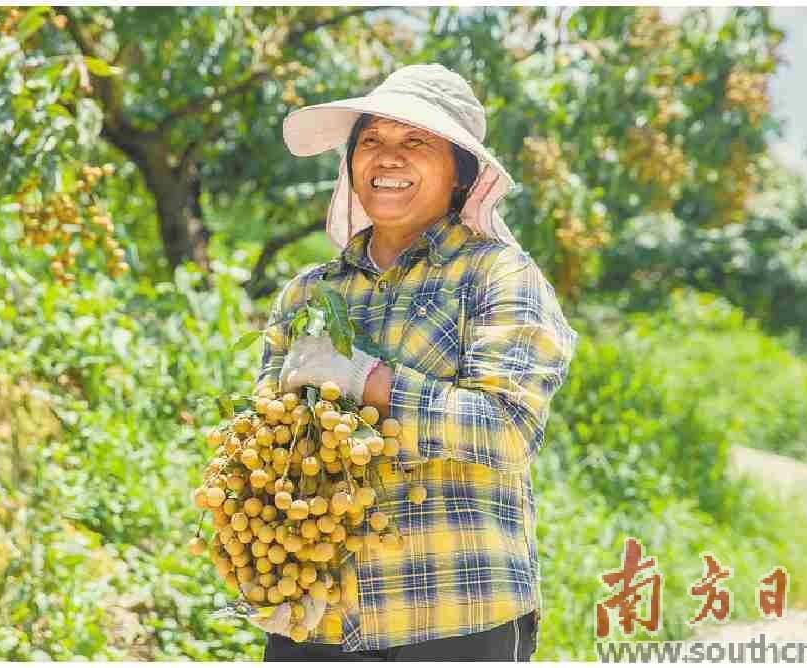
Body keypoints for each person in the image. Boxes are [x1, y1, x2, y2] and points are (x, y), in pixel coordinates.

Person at [248, 63, 579, 661]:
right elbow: (267, 447)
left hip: (449, 620)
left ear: (462, 175)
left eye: (415, 142)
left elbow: (507, 430)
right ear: (350, 163)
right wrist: (267, 558)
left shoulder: (497, 276)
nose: (388, 158)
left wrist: (366, 381)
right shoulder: (306, 293)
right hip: (314, 622)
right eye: (371, 140)